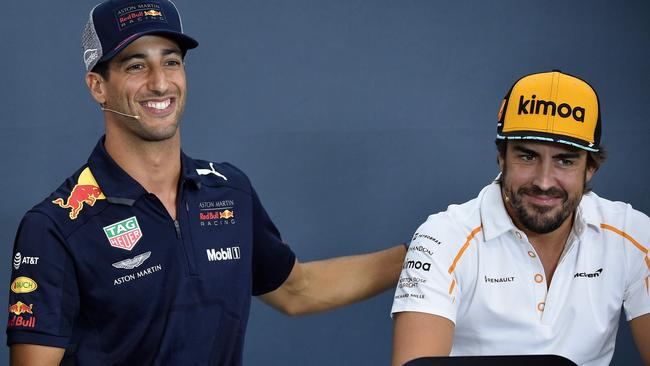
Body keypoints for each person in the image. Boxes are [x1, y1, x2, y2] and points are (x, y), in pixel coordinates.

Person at [6, 0, 406, 364]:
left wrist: (422, 255)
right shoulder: (55, 226)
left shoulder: (229, 191)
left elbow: (297, 290)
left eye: (172, 62)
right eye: (135, 65)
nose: (160, 83)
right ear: (98, 86)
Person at [391, 70, 650, 366]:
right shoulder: (442, 237)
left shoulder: (634, 235)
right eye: (527, 157)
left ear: (590, 168)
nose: (543, 181)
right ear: (502, 156)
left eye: (565, 161)